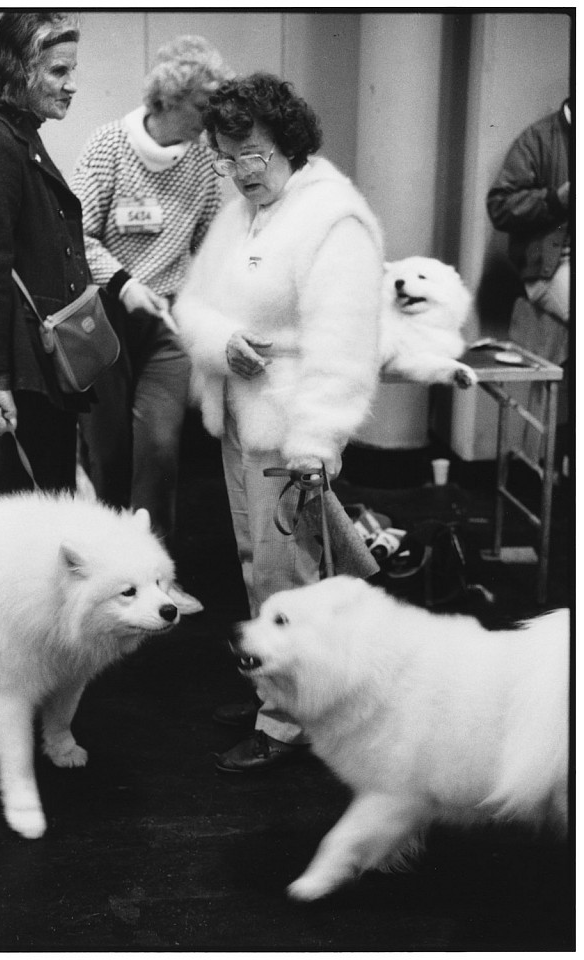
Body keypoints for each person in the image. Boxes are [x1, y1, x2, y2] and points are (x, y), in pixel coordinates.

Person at [173, 73, 384, 772]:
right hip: (242, 412)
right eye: (226, 160)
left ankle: (289, 718)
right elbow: (193, 300)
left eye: (253, 156)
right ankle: (274, 691)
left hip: (291, 425)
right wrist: (221, 342)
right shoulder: (243, 212)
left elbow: (344, 343)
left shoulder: (333, 219)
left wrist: (317, 440)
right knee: (256, 567)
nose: (239, 175)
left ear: (288, 143)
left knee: (284, 575)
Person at [70, 36, 232, 615]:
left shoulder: (202, 164)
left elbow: (212, 242)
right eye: (202, 111)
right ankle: (108, 583)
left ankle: (159, 580)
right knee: (108, 454)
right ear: (169, 100)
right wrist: (123, 282)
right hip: (104, 320)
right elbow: (77, 236)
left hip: (165, 323)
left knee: (159, 449)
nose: (209, 125)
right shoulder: (109, 147)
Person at [0, 12, 91, 495]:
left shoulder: (20, 133)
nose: (72, 84)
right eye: (58, 71)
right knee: (30, 516)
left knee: (45, 504)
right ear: (18, 71)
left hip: (38, 364)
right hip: (21, 371)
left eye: (72, 70)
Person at [486, 99, 571, 465]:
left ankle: (552, 461)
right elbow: (500, 206)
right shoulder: (540, 138)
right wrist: (556, 199)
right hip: (552, 266)